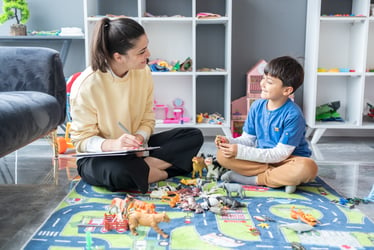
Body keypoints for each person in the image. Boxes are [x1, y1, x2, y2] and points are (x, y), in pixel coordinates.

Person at [69, 17, 203, 193]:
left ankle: (143, 172)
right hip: (100, 156)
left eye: (146, 47)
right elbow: (82, 141)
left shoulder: (143, 73)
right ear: (119, 57)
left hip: (137, 151)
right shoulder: (87, 85)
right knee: (117, 172)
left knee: (193, 135)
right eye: (141, 52)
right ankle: (161, 172)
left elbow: (148, 119)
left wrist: (140, 139)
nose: (148, 55)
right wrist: (115, 144)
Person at [215, 56, 318, 193]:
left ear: (286, 90)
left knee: (308, 167)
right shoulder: (257, 106)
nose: (262, 84)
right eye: (263, 78)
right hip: (263, 158)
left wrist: (239, 151)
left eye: (269, 82)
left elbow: (280, 154)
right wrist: (229, 142)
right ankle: (281, 178)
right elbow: (248, 140)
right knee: (222, 155)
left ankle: (253, 180)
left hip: (287, 159)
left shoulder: (293, 115)